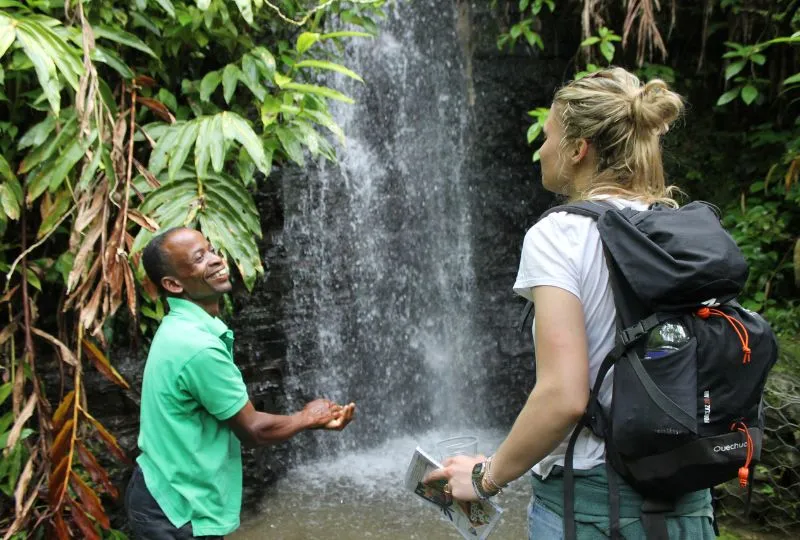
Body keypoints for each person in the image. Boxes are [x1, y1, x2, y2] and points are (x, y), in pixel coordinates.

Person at [424, 67, 715, 538]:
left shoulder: (560, 234)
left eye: (548, 136)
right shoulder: (682, 233)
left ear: (579, 149)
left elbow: (564, 396)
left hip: (593, 509)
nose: (540, 150)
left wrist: (486, 477)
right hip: (689, 505)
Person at [125, 227, 356, 539]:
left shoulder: (180, 328)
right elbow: (254, 430)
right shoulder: (198, 347)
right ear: (173, 284)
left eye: (210, 250)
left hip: (165, 491)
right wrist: (310, 418)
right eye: (199, 258)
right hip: (176, 508)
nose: (217, 260)